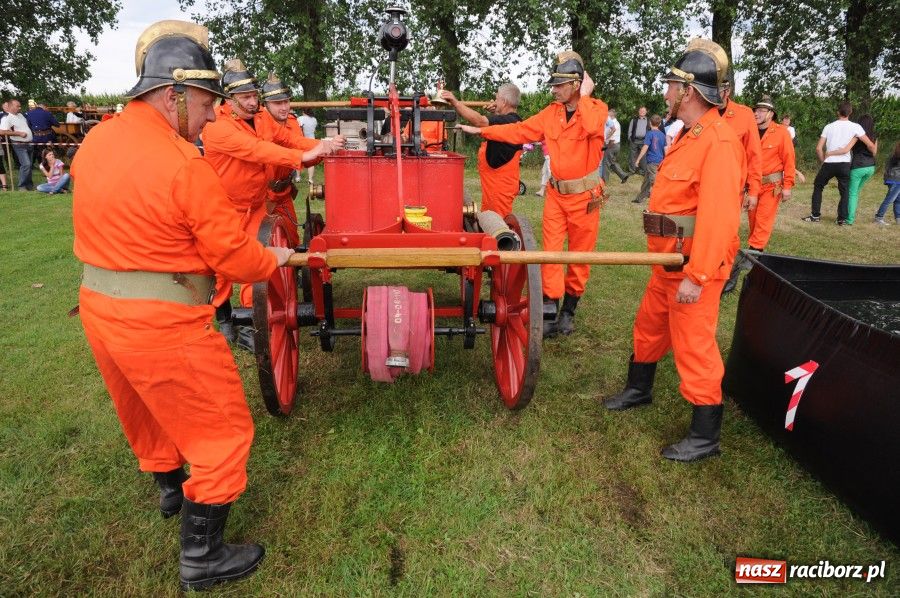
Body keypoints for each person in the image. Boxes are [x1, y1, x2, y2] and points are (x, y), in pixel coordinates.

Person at [71, 19, 296, 590]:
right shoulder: (183, 164)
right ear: (172, 94)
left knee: (145, 408)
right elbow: (238, 260)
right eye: (205, 102)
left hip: (100, 306)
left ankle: (170, 488)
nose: (211, 115)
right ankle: (203, 556)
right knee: (222, 432)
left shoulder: (96, 141)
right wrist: (276, 262)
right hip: (162, 320)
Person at [603, 39, 745, 463]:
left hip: (692, 269)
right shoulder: (686, 136)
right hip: (666, 262)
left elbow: (719, 218)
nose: (665, 93)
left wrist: (697, 276)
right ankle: (638, 388)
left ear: (690, 92)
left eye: (671, 86)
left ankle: (705, 435)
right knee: (649, 326)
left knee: (694, 345)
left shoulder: (718, 142)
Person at [459, 51, 608, 337]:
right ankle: (551, 306)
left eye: (559, 85)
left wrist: (587, 97)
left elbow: (591, 126)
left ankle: (569, 311)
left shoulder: (596, 109)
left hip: (585, 198)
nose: (553, 89)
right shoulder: (551, 113)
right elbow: (519, 131)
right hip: (556, 195)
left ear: (576, 85)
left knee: (579, 255)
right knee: (549, 251)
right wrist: (484, 132)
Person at [202, 58, 341, 345]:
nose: (253, 102)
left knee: (261, 261)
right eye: (246, 98)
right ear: (229, 100)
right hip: (222, 207)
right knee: (220, 270)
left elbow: (289, 139)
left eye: (255, 96)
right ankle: (225, 319)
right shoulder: (216, 126)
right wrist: (299, 158)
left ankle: (257, 322)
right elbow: (256, 150)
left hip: (255, 206)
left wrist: (321, 146)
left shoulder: (264, 118)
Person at [722, 94, 796, 294]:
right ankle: (756, 259)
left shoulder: (781, 133)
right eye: (755, 110)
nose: (756, 113)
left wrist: (788, 184)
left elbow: (789, 159)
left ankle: (743, 268)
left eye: (761, 111)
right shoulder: (751, 130)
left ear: (771, 114)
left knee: (761, 226)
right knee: (754, 224)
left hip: (772, 187)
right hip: (753, 185)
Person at [441, 83, 523, 216]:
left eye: (497, 99)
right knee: (489, 217)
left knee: (498, 224)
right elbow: (494, 124)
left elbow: (480, 122)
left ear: (504, 102)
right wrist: (496, 112)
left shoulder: (509, 121)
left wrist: (456, 103)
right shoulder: (508, 120)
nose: (494, 102)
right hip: (494, 185)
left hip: (500, 187)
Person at [803, 102, 876, 225]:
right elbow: (869, 144)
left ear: (838, 112)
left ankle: (815, 215)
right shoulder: (856, 126)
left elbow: (818, 148)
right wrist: (873, 151)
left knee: (818, 185)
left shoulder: (829, 126)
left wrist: (823, 161)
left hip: (829, 163)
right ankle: (841, 218)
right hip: (844, 164)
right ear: (850, 112)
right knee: (845, 191)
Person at [259, 72, 309, 247]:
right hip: (262, 196)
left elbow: (302, 149)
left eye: (286, 101)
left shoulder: (293, 122)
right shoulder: (256, 125)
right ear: (265, 105)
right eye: (277, 103)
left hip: (284, 193)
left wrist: (322, 150)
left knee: (292, 239)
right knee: (262, 241)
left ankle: (293, 272)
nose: (284, 107)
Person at [715, 61, 762, 217]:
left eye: (715, 90)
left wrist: (754, 190)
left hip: (733, 188)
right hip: (703, 186)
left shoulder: (745, 114)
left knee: (727, 233)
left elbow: (754, 155)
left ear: (726, 91)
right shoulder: (701, 113)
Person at [842, 114, 878, 225]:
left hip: (858, 167)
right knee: (855, 192)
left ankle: (849, 219)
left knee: (852, 193)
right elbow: (874, 152)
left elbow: (847, 148)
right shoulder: (874, 135)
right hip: (871, 167)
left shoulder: (856, 135)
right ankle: (848, 214)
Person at [0, 99, 34, 190]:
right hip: (19, 145)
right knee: (26, 164)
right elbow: (2, 131)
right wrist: (19, 133)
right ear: (11, 107)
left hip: (29, 144)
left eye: (20, 106)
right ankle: (22, 186)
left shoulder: (20, 115)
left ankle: (29, 185)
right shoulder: (7, 118)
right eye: (17, 106)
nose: (20, 108)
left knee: (29, 165)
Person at [631, 114, 666, 203]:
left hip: (652, 161)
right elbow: (665, 148)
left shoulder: (650, 133)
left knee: (654, 182)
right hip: (660, 160)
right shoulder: (662, 134)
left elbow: (645, 147)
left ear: (650, 123)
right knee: (646, 181)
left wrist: (638, 159)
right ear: (659, 124)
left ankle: (660, 200)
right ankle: (640, 199)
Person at [600, 108, 629, 184]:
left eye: (608, 113)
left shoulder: (613, 124)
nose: (606, 115)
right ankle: (623, 175)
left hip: (611, 145)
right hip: (616, 145)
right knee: (612, 162)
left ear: (611, 115)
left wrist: (605, 146)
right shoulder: (615, 123)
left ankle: (604, 181)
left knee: (606, 163)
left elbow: (611, 139)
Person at [874, 141, 900, 225]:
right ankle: (879, 217)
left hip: (892, 179)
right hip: (896, 180)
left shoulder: (894, 154)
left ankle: (898, 218)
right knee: (890, 199)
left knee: (898, 200)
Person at [627, 106, 649, 174]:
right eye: (641, 111)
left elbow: (650, 130)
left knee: (643, 156)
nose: (642, 112)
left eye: (643, 111)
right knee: (632, 155)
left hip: (644, 141)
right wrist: (630, 138)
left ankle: (642, 171)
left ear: (646, 112)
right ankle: (632, 170)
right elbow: (630, 130)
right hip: (634, 140)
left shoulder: (648, 120)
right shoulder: (634, 120)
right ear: (638, 112)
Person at [298, 108, 318, 183]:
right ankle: (310, 179)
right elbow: (314, 130)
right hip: (312, 141)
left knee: (298, 158)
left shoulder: (301, 118)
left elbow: (298, 129)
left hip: (302, 141)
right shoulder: (314, 119)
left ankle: (298, 177)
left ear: (303, 112)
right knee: (311, 160)